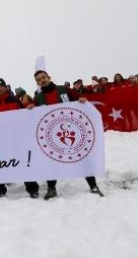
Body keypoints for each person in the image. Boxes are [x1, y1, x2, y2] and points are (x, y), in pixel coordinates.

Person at [29, 70, 102, 200]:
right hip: (51, 134)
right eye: (39, 80)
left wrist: (81, 99)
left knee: (82, 157)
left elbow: (78, 99)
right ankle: (51, 188)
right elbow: (33, 115)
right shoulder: (38, 98)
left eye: (43, 77)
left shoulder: (64, 89)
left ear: (49, 77)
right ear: (37, 83)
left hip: (72, 130)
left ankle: (93, 185)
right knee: (51, 161)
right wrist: (30, 109)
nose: (42, 80)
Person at [0, 78, 39, 198]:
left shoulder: (15, 100)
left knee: (24, 162)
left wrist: (29, 109)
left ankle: (32, 188)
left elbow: (24, 115)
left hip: (17, 138)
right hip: (0, 139)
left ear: (5, 87)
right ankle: (0, 188)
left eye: (1, 85)